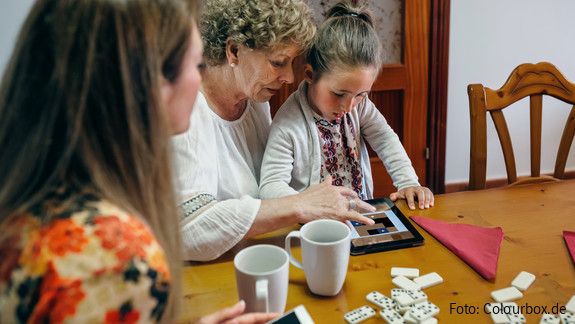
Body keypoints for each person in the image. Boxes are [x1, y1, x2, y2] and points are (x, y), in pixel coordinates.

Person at [0, 0, 275, 323]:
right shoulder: (118, 260)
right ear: (152, 84)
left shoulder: (34, 206)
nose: (201, 78)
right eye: (198, 63)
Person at [172, 0, 376, 262]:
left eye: (292, 63)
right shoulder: (184, 113)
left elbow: (269, 190)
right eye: (279, 62)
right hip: (206, 273)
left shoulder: (256, 104)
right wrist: (299, 204)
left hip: (256, 255)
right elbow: (188, 231)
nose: (290, 78)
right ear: (234, 50)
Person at [258, 1, 434, 210]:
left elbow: (385, 138)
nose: (349, 106)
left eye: (361, 94)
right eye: (339, 93)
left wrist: (407, 181)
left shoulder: (360, 107)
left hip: (360, 214)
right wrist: (308, 206)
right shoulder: (288, 124)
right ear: (310, 75)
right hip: (315, 229)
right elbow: (270, 186)